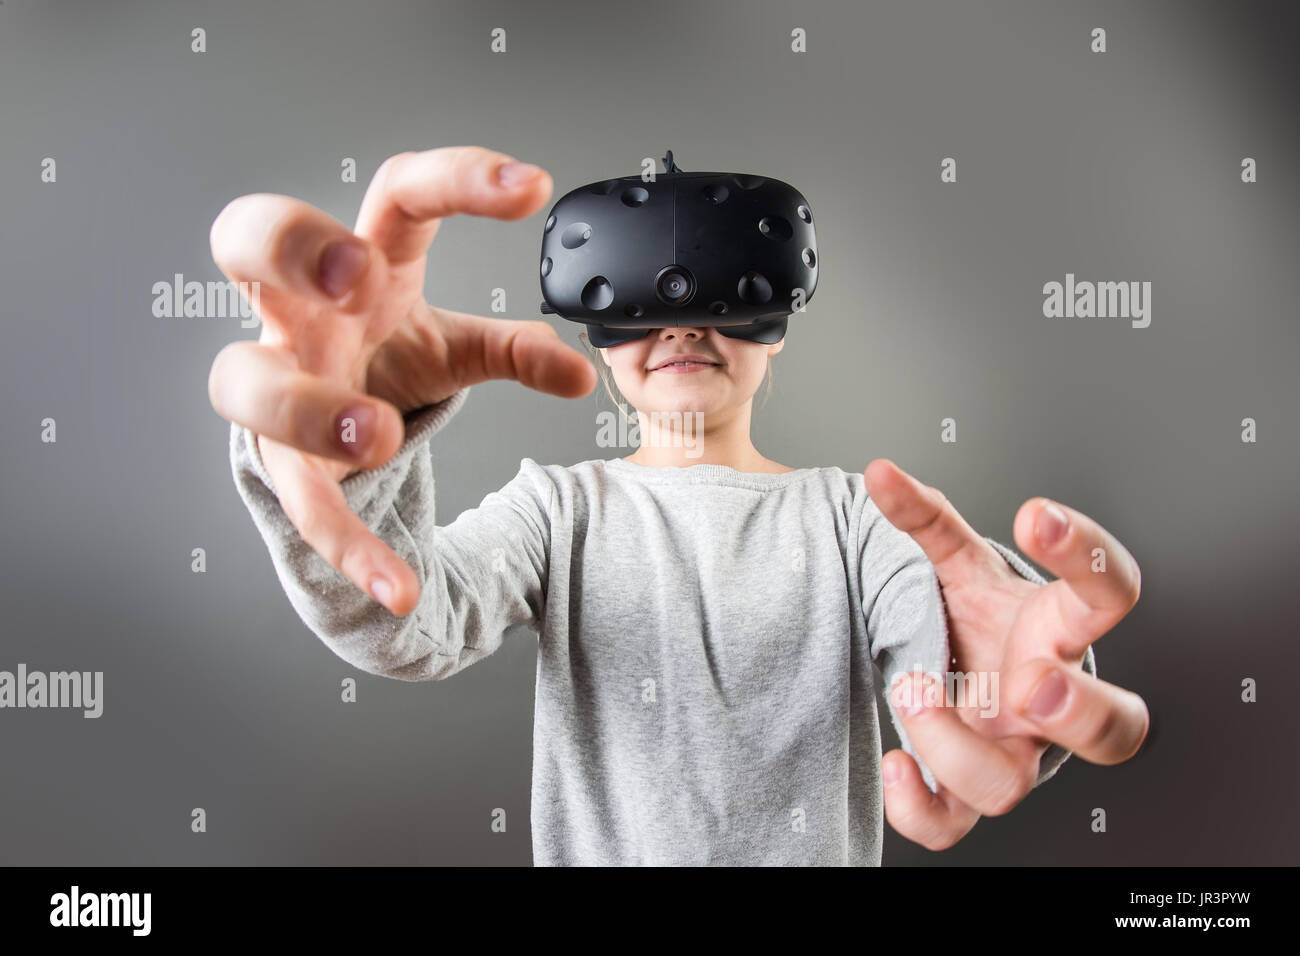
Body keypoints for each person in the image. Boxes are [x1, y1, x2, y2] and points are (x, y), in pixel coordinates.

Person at [207, 145, 1150, 864]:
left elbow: (955, 647)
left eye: (724, 298)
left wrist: (1003, 686)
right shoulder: (556, 514)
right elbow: (408, 619)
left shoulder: (858, 522)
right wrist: (343, 458)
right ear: (598, 336)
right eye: (640, 308)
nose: (683, 325)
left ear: (776, 327)